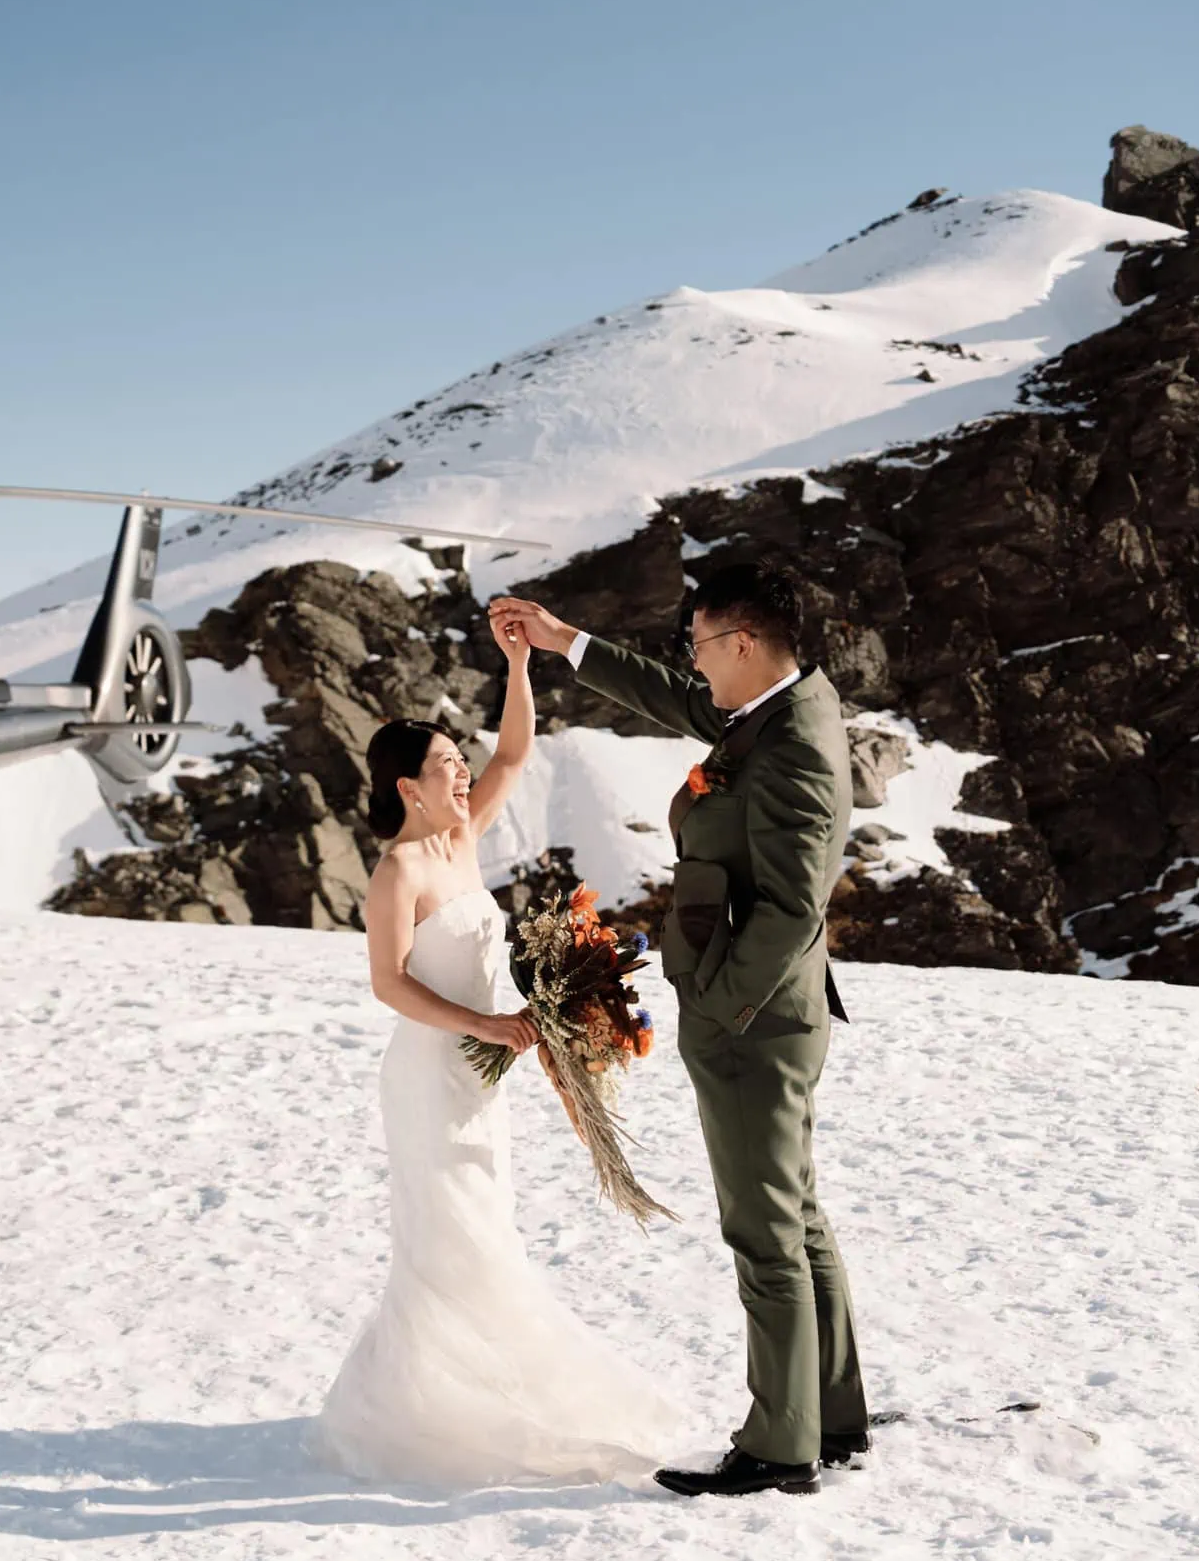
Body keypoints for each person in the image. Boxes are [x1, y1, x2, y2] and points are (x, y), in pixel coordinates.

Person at [490, 564, 870, 1499]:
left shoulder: (794, 750)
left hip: (755, 1019)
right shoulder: (775, 708)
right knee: (795, 1210)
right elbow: (674, 701)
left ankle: (782, 1446)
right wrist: (563, 639)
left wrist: (716, 1006)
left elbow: (793, 908)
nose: (690, 663)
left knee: (764, 1229)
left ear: (743, 642)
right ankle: (831, 1412)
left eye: (699, 644)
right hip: (765, 1012)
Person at [311, 605, 683, 1486]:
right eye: (446, 767)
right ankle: (428, 1409)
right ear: (407, 786)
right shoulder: (398, 871)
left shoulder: (464, 841)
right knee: (450, 1242)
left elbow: (515, 753)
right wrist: (487, 1025)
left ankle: (464, 1386)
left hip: (481, 1081)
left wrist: (517, 665)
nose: (465, 775)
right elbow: (389, 982)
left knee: (486, 1226)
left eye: (459, 763)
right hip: (430, 1078)